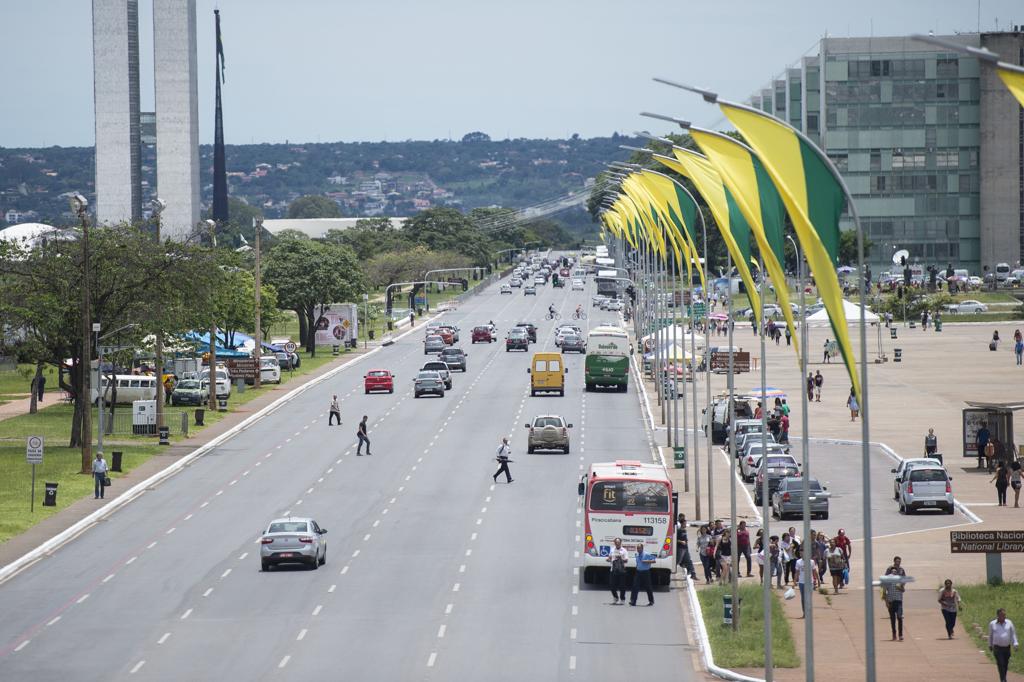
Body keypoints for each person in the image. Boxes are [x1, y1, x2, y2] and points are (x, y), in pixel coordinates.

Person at [988, 608, 1018, 682]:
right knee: (1000, 663)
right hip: (997, 648)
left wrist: (1015, 643)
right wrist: (990, 645)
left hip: (1007, 648)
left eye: (1004, 615)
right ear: (998, 615)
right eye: (1002, 615)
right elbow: (990, 635)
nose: (1004, 616)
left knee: (1005, 664)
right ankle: (1003, 679)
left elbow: (1013, 634)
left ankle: (1003, 677)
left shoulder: (1009, 623)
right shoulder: (992, 624)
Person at [884, 556, 906, 641]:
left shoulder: (900, 574)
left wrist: (900, 587)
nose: (893, 572)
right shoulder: (888, 578)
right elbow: (884, 591)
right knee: (892, 619)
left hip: (899, 600)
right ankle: (894, 634)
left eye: (895, 572)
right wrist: (886, 602)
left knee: (900, 618)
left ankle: (900, 634)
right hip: (890, 601)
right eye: (892, 571)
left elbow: (903, 588)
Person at [606, 538, 628, 604]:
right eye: (616, 542)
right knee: (612, 585)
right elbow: (609, 557)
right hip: (613, 569)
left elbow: (626, 560)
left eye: (618, 542)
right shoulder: (612, 549)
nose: (617, 543)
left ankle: (622, 599)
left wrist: (620, 558)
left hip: (621, 570)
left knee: (622, 586)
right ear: (614, 543)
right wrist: (608, 559)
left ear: (621, 543)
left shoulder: (624, 550)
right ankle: (615, 597)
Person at [675, 513, 696, 579]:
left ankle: (693, 574)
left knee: (689, 560)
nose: (685, 525)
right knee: (678, 561)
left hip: (685, 548)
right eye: (684, 523)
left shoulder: (684, 530)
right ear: (681, 524)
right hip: (680, 548)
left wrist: (686, 541)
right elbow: (675, 539)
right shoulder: (678, 531)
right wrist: (681, 541)